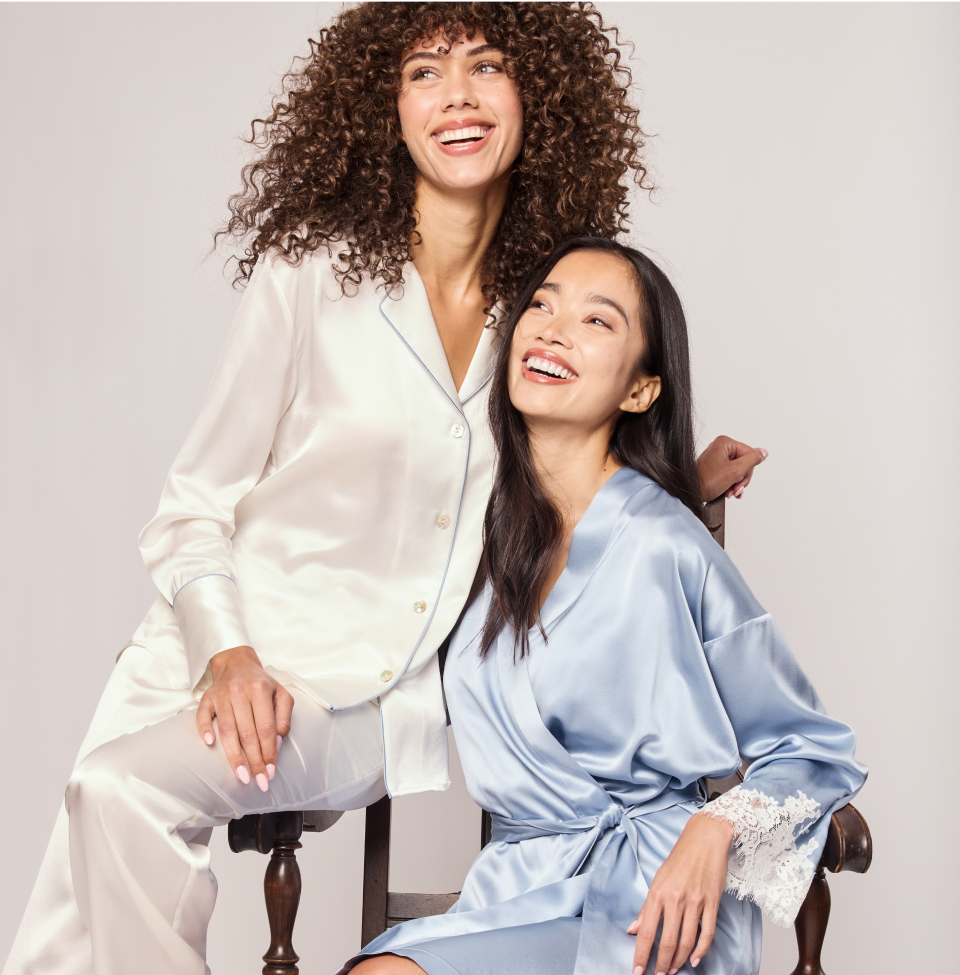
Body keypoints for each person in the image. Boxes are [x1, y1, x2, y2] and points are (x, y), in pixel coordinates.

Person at [3, 5, 766, 975]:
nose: (457, 95)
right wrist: (227, 656)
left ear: (538, 95)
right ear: (383, 109)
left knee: (110, 799)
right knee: (94, 832)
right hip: (227, 655)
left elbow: (576, 474)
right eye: (422, 73)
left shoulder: (549, 303)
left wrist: (682, 482)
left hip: (372, 699)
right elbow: (192, 505)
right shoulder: (309, 277)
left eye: (486, 65)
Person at [342, 238, 866, 975]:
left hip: (654, 904)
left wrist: (715, 826)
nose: (553, 328)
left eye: (597, 321)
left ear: (641, 390)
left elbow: (813, 747)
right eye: (542, 305)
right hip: (516, 893)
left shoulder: (667, 547)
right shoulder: (473, 542)